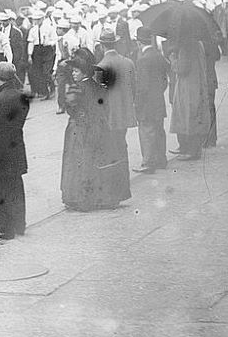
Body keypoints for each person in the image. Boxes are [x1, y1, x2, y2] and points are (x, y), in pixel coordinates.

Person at [60, 54, 130, 211]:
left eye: (76, 71)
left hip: (80, 129)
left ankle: (81, 198)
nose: (73, 74)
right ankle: (104, 197)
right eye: (73, 71)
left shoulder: (76, 88)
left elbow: (71, 108)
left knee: (80, 162)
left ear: (84, 73)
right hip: (100, 127)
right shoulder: (98, 86)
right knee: (99, 160)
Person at [0, 62, 29, 239]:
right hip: (16, 147)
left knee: (1, 189)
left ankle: (5, 227)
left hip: (0, 152)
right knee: (16, 186)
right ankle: (20, 224)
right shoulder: (21, 96)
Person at [95, 29, 138, 179]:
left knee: (112, 147)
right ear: (115, 43)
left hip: (109, 115)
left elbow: (99, 97)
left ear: (102, 46)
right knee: (122, 143)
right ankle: (124, 177)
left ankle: (118, 180)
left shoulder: (101, 67)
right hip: (125, 112)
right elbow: (134, 88)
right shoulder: (128, 62)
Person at [132, 26, 170, 173]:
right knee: (159, 130)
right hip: (158, 100)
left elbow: (142, 86)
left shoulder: (143, 60)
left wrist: (137, 103)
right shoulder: (158, 55)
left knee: (146, 132)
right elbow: (165, 79)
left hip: (146, 103)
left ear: (139, 42)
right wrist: (159, 91)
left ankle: (148, 162)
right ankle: (161, 159)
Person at [168, 38, 211, 160]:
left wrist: (173, 59)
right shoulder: (198, 44)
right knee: (194, 116)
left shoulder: (185, 47)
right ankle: (190, 149)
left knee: (187, 117)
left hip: (187, 86)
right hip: (197, 83)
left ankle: (191, 151)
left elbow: (181, 68)